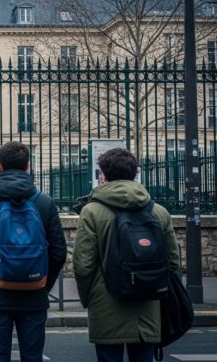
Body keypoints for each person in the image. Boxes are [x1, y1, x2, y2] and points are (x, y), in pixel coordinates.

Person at [0, 141, 67, 362]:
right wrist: (43, 284)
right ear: (28, 166)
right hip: (34, 292)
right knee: (32, 356)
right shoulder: (44, 202)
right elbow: (59, 252)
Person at [73, 148, 179, 362]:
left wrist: (90, 298)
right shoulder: (159, 211)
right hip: (147, 304)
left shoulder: (92, 211)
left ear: (103, 175)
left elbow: (83, 264)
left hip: (106, 303)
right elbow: (174, 262)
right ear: (135, 173)